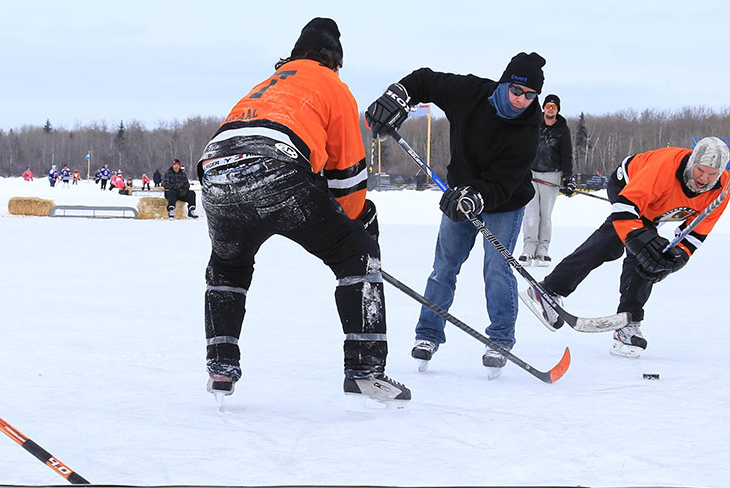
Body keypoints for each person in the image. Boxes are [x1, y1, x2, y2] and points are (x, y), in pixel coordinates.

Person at [197, 17, 407, 409]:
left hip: (216, 171)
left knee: (228, 266)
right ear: (334, 60)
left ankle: (221, 365)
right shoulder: (332, 85)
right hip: (275, 168)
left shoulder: (266, 84)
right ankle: (365, 370)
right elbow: (347, 174)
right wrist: (356, 227)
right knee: (357, 254)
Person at [365, 52, 546, 376]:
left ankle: (500, 339)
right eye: (517, 91)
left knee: (496, 269)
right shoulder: (470, 92)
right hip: (458, 198)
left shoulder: (527, 129)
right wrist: (398, 95)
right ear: (505, 84)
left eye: (530, 95)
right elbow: (425, 80)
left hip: (503, 201)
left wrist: (477, 195)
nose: (522, 100)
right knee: (444, 266)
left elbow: (504, 181)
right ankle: (428, 335)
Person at [527, 137, 730, 358]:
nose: (704, 178)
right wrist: (639, 239)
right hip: (627, 185)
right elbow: (625, 209)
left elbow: (695, 234)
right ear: (692, 163)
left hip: (657, 207)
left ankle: (628, 321)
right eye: (700, 170)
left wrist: (676, 258)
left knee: (652, 261)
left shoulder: (721, 191)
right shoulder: (663, 168)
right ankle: (548, 290)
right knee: (614, 242)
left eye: (712, 174)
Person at [519, 93, 573, 267]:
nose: (551, 110)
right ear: (544, 108)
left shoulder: (562, 129)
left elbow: (566, 155)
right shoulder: (534, 123)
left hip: (552, 176)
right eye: (548, 106)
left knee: (545, 215)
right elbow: (523, 145)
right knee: (531, 214)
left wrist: (567, 177)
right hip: (532, 174)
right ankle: (528, 249)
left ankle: (543, 250)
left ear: (557, 110)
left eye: (554, 107)